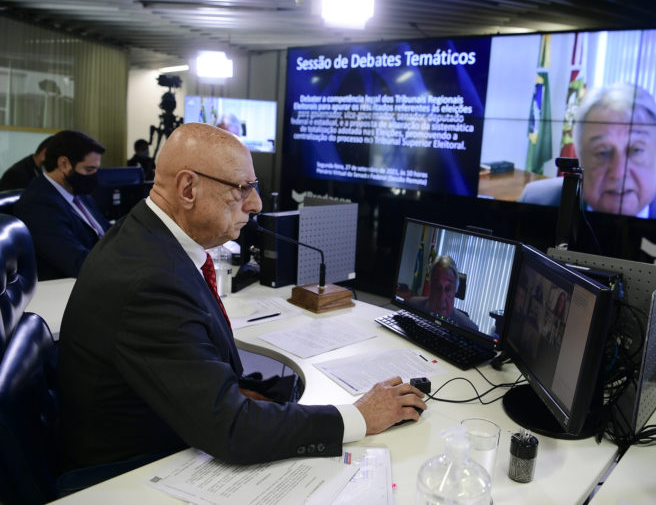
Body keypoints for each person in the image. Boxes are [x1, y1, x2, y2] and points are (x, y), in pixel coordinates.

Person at [57, 123, 426, 474]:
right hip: (132, 469)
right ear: (188, 188)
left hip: (167, 423)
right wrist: (360, 416)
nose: (256, 204)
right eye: (242, 188)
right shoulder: (150, 282)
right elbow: (230, 429)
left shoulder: (144, 234)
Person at [518, 83, 656, 230]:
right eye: (602, 152)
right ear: (579, 155)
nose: (619, 174)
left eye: (636, 150)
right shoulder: (537, 202)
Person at [14, 130, 110, 281]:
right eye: (89, 169)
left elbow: (107, 232)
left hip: (96, 274)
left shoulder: (79, 193)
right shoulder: (39, 204)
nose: (94, 176)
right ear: (64, 164)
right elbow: (75, 260)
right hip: (67, 284)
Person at [408, 255, 479, 331]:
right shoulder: (413, 306)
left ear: (455, 291)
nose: (442, 298)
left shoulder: (469, 328)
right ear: (430, 287)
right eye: (437, 287)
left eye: (448, 289)